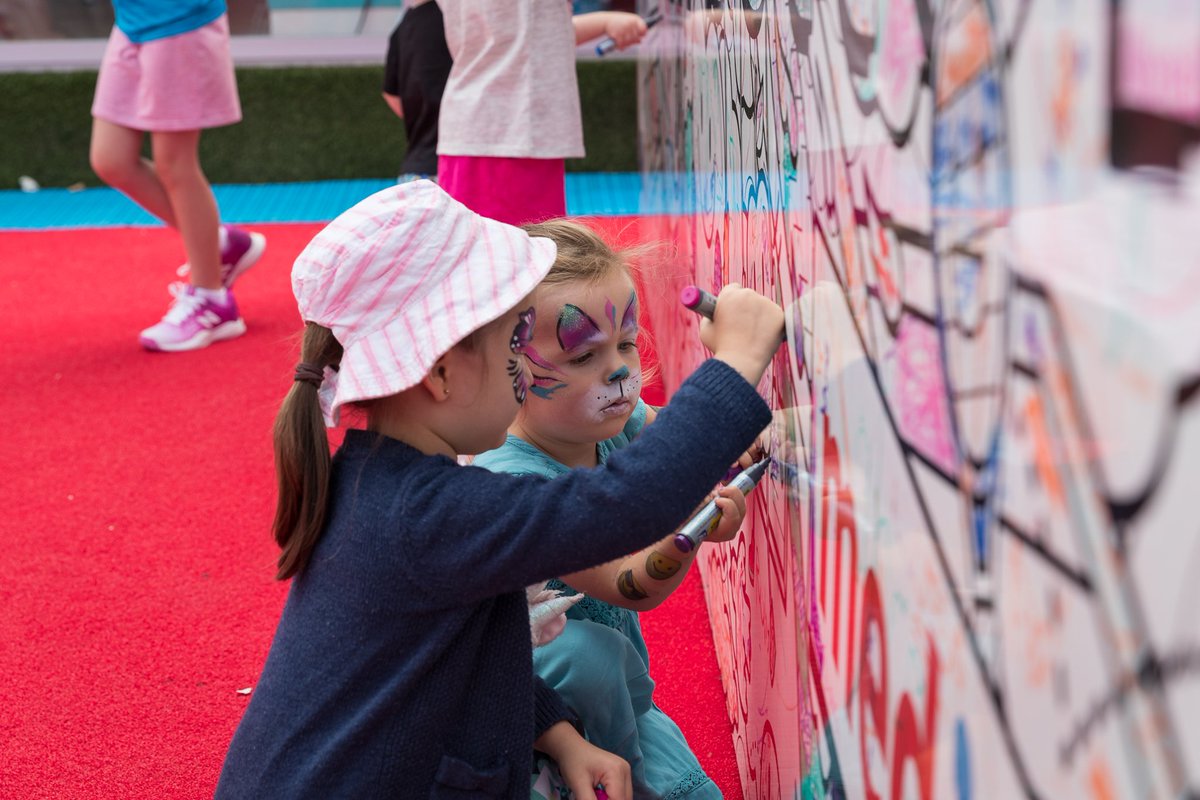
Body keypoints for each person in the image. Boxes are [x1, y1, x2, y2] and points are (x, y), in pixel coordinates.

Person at [213, 180, 784, 798]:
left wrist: (559, 734)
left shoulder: (378, 482)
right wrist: (737, 362)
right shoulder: (433, 515)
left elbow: (456, 659)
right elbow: (625, 505)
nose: (522, 370)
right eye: (514, 343)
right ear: (439, 373)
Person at [474, 220, 748, 799]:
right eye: (584, 356)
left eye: (625, 343)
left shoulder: (610, 426)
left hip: (622, 707)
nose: (620, 371)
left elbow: (690, 444)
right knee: (588, 655)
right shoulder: (508, 481)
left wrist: (726, 473)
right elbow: (633, 583)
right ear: (509, 367)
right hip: (534, 733)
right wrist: (738, 363)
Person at [89, 0, 266, 352]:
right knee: (111, 160)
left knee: (175, 163)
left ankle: (213, 301)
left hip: (180, 21)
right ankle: (218, 243)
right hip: (131, 22)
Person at [435, 1, 650, 225]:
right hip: (511, 133)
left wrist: (604, 22)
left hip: (491, 131)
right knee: (526, 253)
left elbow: (533, 32)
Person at [381, 0, 452, 184]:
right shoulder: (458, 18)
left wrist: (420, 115)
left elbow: (390, 93)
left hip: (415, 172)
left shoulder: (403, 27)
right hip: (459, 168)